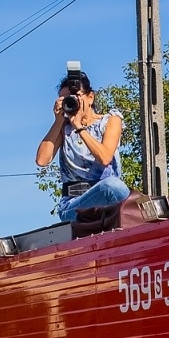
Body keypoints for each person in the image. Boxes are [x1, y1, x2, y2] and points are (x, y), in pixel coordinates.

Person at [34, 67, 130, 222]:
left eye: (76, 96)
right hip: (73, 205)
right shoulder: (63, 128)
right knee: (114, 187)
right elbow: (42, 161)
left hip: (108, 196)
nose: (72, 102)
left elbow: (105, 158)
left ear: (90, 97)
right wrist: (58, 121)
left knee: (114, 186)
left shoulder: (109, 120)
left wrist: (79, 127)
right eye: (65, 99)